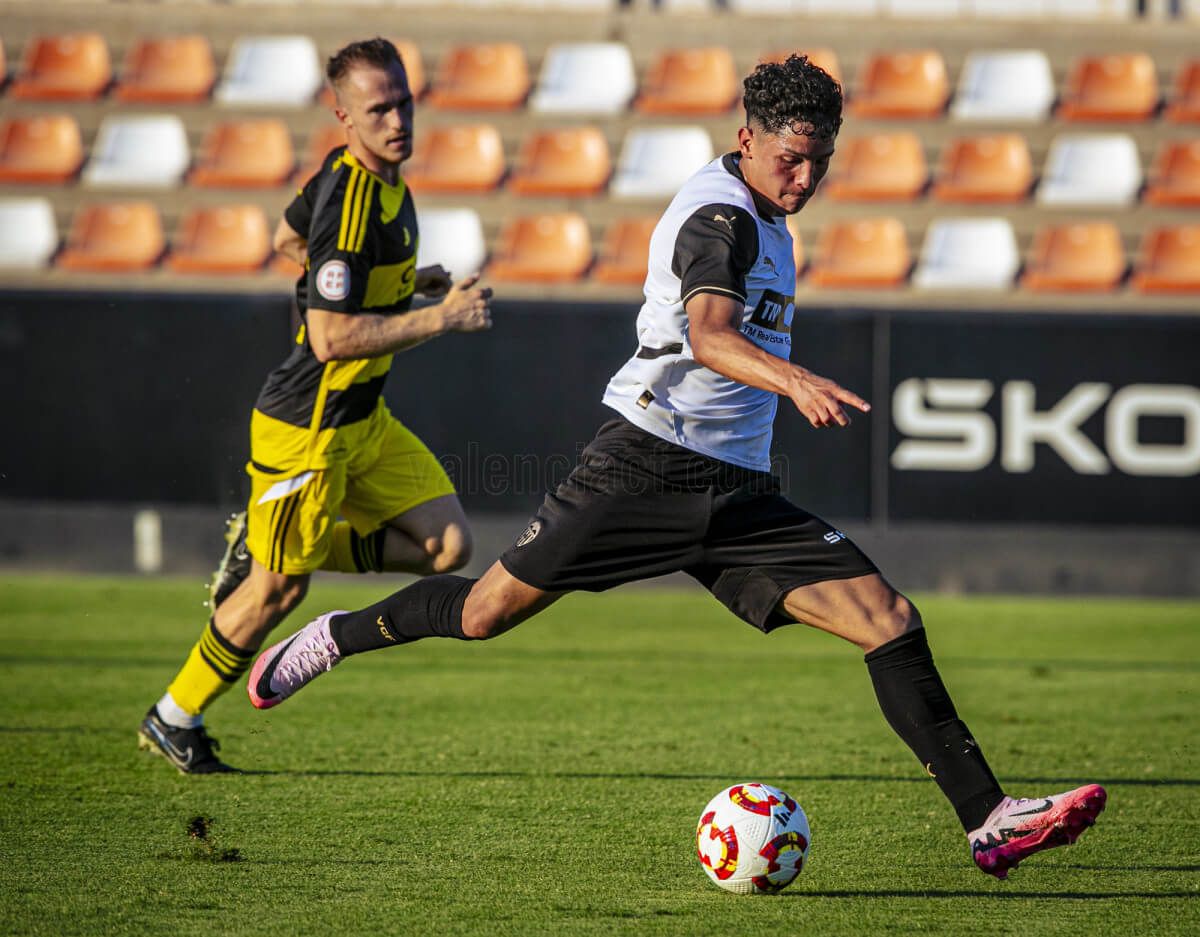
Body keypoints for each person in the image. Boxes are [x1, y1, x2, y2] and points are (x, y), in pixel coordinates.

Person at [245, 55, 1105, 878]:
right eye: (791, 160)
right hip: (646, 466)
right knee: (481, 613)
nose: (804, 179)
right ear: (747, 139)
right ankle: (334, 636)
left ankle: (988, 820)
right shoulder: (721, 217)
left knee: (887, 615)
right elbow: (709, 334)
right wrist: (794, 378)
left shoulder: (768, 215)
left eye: (819, 163)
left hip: (733, 491)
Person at [138, 38, 494, 774]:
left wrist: (399, 284)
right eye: (378, 109)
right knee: (278, 590)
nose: (398, 118)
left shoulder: (367, 179)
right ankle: (175, 714)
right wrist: (441, 316)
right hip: (311, 428)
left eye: (403, 101)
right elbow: (331, 338)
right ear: (344, 117)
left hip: (365, 422)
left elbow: (285, 238)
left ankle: (263, 537)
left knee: (448, 546)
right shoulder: (355, 198)